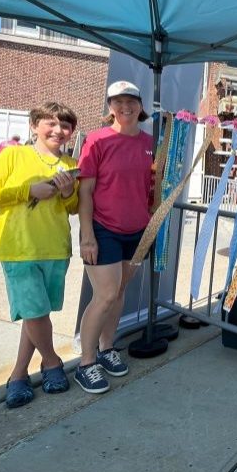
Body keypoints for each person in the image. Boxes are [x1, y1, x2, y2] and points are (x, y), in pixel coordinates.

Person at [0, 102, 79, 409]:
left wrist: (67, 192)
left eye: (66, 126)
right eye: (51, 123)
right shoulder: (13, 155)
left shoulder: (71, 164)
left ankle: (19, 374)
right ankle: (51, 361)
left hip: (56, 248)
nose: (59, 130)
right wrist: (28, 191)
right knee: (34, 312)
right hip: (17, 247)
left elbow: (72, 208)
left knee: (37, 314)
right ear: (34, 125)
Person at [74, 80, 153, 394]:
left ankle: (107, 348)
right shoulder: (97, 140)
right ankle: (86, 363)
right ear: (110, 108)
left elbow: (151, 187)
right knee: (104, 295)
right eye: (118, 102)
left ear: (140, 106)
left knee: (119, 293)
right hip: (104, 229)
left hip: (137, 231)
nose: (125, 107)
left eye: (131, 101)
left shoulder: (150, 142)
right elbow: (86, 192)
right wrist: (87, 236)